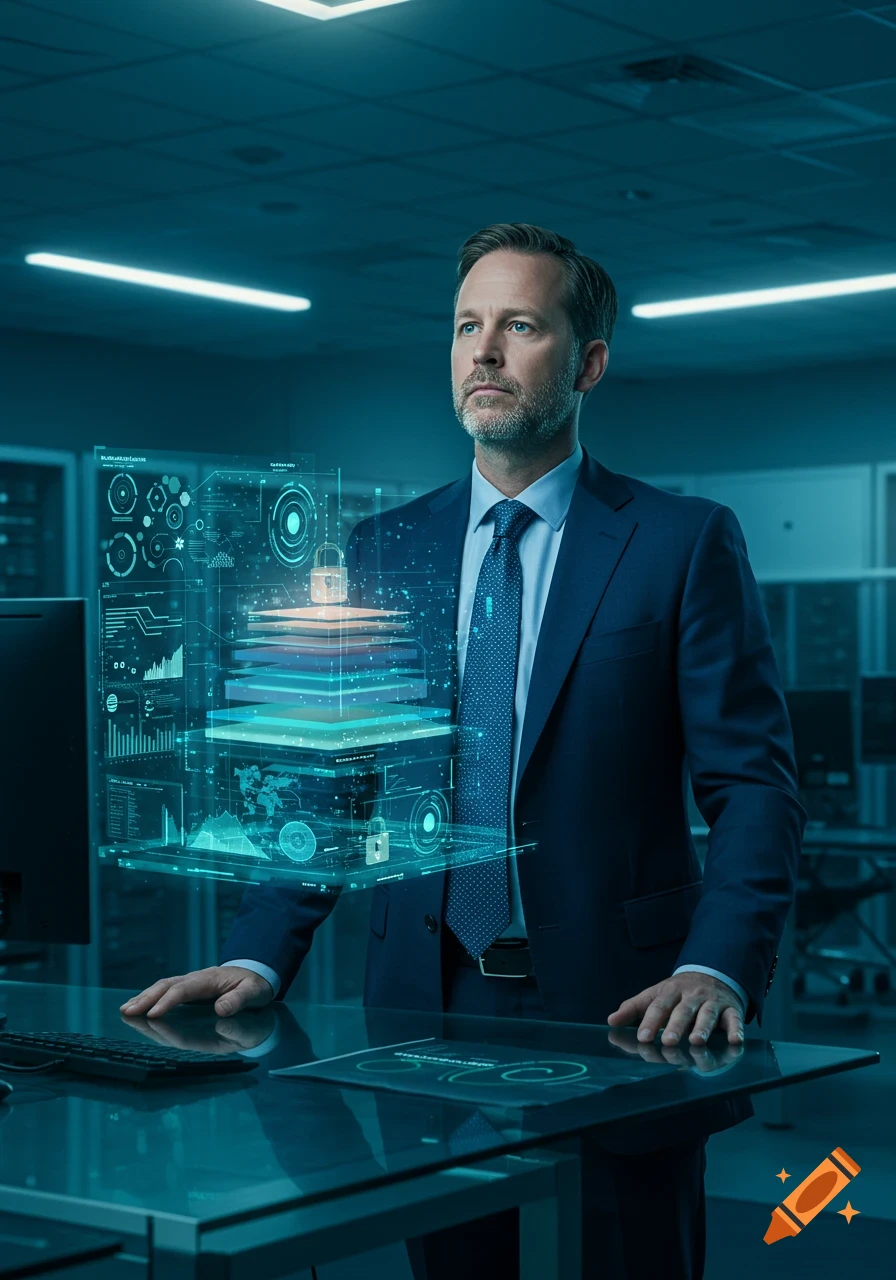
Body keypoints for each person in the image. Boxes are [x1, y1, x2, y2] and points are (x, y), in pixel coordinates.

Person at [122, 222, 805, 1279]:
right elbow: (334, 777)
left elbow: (753, 785)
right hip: (425, 1005)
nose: (483, 351)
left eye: (520, 326)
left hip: (624, 1009)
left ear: (587, 362)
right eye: (465, 326)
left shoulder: (679, 541)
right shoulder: (386, 547)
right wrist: (259, 953)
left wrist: (713, 965)